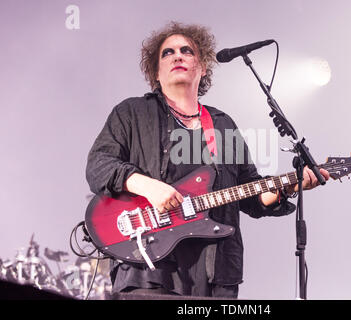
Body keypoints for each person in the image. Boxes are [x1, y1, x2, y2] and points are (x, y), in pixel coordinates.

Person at [86, 21, 329, 299]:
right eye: (168, 53)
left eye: (186, 51)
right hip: (148, 268)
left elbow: (249, 193)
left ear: (202, 68)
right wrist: (148, 187)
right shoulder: (132, 112)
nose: (177, 55)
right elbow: (98, 164)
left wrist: (288, 185)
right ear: (156, 71)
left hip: (216, 274)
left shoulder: (223, 124)